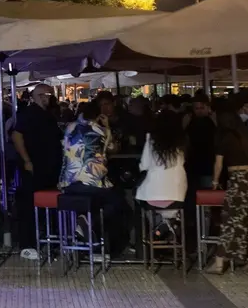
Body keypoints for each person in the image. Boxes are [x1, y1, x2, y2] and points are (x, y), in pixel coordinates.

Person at [57, 96, 130, 256]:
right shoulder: (100, 130)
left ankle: (84, 226)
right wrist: (107, 128)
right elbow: (113, 149)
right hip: (93, 184)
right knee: (119, 203)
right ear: (98, 115)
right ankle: (93, 226)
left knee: (101, 202)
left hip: (68, 184)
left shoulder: (69, 127)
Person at [207, 101, 248, 275]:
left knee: (232, 221)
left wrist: (214, 182)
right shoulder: (246, 134)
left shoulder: (223, 137)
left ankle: (220, 261)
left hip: (238, 180)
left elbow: (218, 164)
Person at [11, 84, 63, 255]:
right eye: (44, 94)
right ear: (36, 96)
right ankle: (28, 244)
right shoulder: (29, 114)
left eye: (49, 94)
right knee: (28, 204)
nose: (47, 97)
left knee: (44, 204)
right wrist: (27, 160)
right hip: (34, 167)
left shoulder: (47, 115)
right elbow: (16, 135)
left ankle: (50, 239)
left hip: (47, 168)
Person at [136, 110, 188, 241]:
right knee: (172, 209)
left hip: (151, 195)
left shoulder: (151, 138)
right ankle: (167, 225)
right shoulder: (182, 139)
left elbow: (144, 165)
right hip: (177, 195)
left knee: (137, 201)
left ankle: (158, 230)